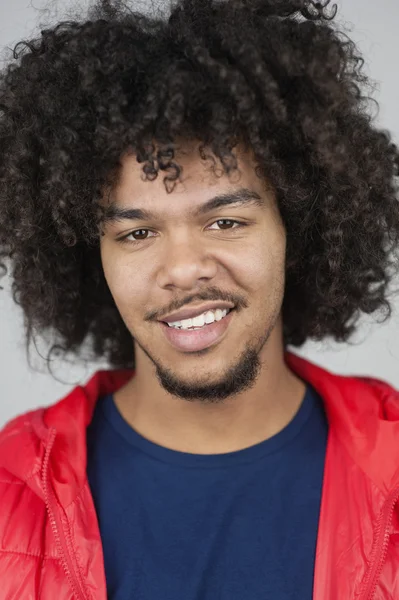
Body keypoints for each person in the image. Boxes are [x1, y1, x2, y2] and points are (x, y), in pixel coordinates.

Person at [0, 0, 399, 598]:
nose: (183, 269)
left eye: (226, 222)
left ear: (300, 229)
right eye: (137, 233)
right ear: (91, 258)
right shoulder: (12, 491)